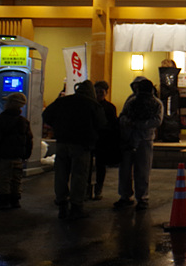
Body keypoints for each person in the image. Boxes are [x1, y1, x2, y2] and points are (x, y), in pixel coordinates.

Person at [42, 80, 106, 220]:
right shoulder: (93, 105)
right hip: (82, 144)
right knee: (79, 174)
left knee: (61, 173)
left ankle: (61, 203)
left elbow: (46, 115)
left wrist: (57, 127)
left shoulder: (63, 101)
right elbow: (102, 124)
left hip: (62, 142)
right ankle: (76, 206)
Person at [114, 76, 164, 211]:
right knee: (125, 170)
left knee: (142, 170)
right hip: (129, 139)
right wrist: (128, 123)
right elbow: (123, 116)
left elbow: (157, 121)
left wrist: (137, 124)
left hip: (144, 140)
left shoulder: (155, 103)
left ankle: (142, 197)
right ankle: (126, 196)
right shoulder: (132, 101)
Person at [0, 93, 34, 210]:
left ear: (10, 104)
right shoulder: (24, 122)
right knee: (16, 179)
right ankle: (15, 200)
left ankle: (4, 201)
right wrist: (26, 155)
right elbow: (29, 140)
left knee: (3, 179)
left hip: (3, 156)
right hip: (18, 157)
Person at [89, 81, 120, 201]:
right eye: (96, 92)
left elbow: (113, 125)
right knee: (87, 166)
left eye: (101, 92)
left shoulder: (110, 107)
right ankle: (87, 189)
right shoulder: (90, 105)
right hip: (91, 139)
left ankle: (98, 189)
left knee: (100, 166)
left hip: (103, 140)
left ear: (106, 93)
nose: (98, 94)